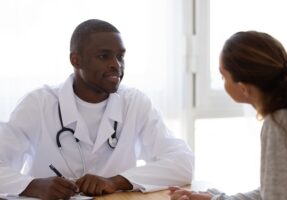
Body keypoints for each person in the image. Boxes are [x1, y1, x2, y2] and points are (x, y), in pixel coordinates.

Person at [0, 19, 194, 199]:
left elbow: (182, 163)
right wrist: (31, 185)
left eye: (120, 56)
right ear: (76, 60)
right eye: (104, 56)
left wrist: (116, 181)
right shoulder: (38, 104)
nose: (116, 65)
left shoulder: (134, 102)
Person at [169, 31, 287, 200]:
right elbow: (272, 190)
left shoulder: (279, 124)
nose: (222, 82)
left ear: (244, 88)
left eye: (223, 76)